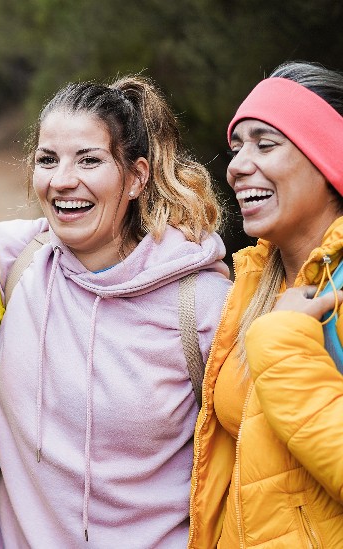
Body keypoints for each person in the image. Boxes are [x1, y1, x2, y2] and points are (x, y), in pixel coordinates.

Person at [0, 76, 231, 547]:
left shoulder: (203, 304)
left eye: (89, 160)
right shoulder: (20, 260)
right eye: (47, 160)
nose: (62, 180)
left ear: (135, 177)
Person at [188, 61, 343, 548]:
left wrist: (281, 346)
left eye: (265, 144)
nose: (235, 166)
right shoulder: (255, 284)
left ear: (328, 159)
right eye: (237, 148)